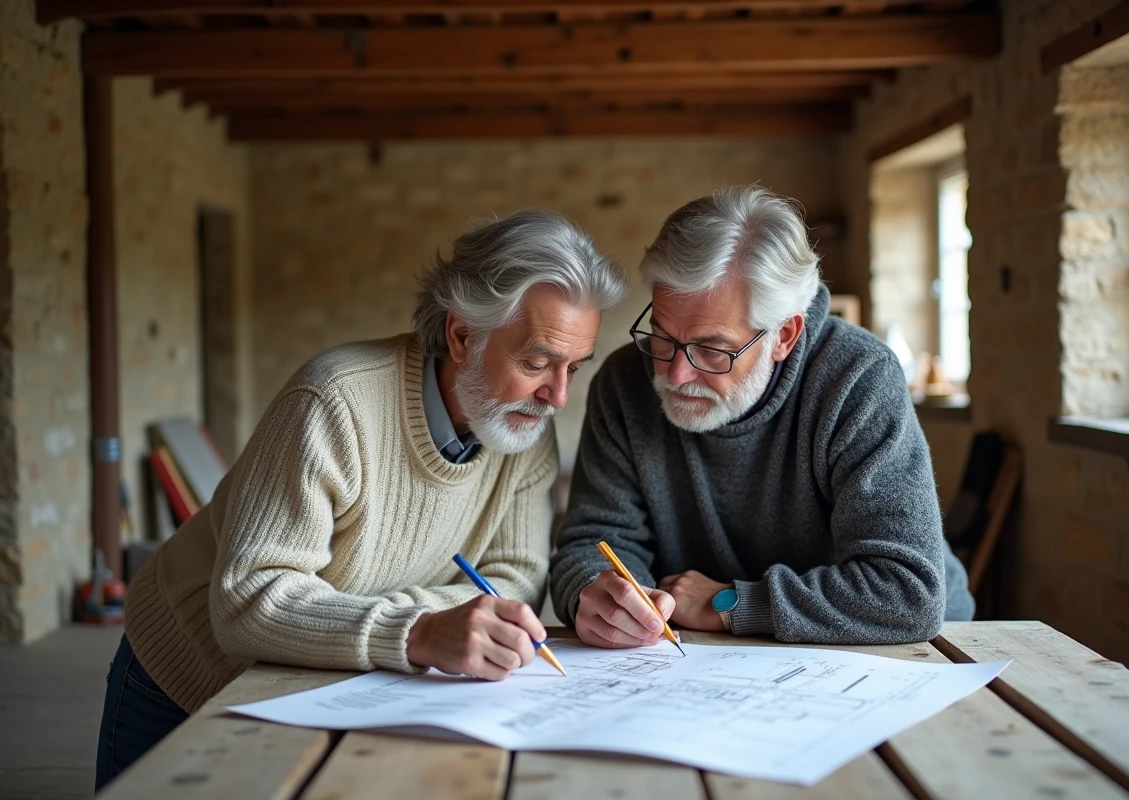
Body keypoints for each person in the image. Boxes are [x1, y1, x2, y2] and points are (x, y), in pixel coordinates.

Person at [96, 209, 627, 791]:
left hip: (331, 680)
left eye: (575, 367)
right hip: (187, 664)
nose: (558, 396)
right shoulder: (333, 401)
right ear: (462, 335)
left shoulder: (526, 434)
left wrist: (375, 619)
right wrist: (421, 630)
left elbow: (517, 579)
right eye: (536, 363)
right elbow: (249, 601)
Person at [549, 186, 973, 651]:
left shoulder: (858, 379)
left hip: (902, 647)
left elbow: (906, 592)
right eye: (663, 337)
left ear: (785, 335)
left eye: (712, 349)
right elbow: (594, 541)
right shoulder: (624, 383)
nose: (675, 373)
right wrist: (598, 593)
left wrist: (731, 603)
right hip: (694, 652)